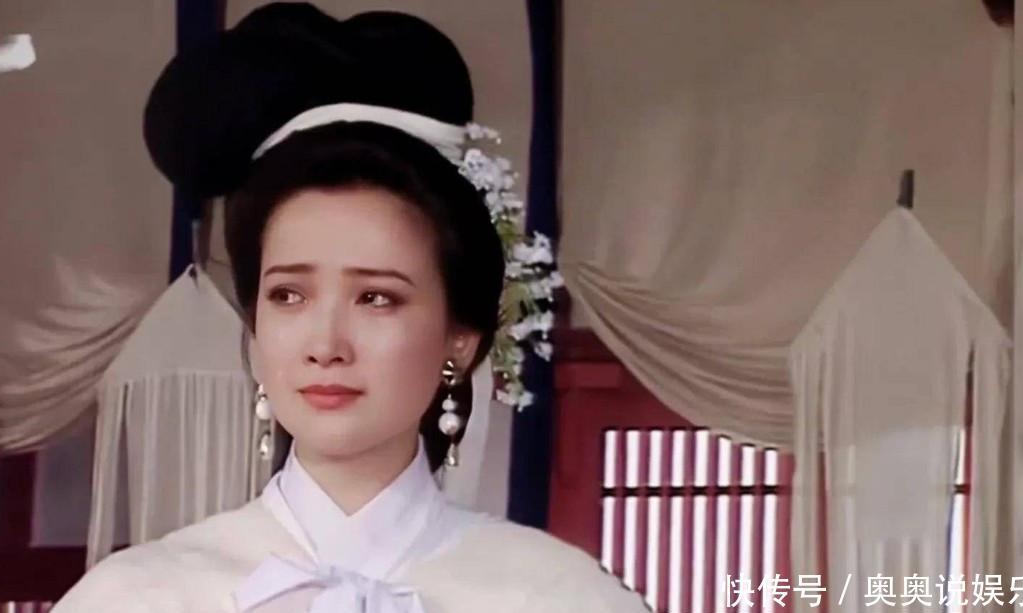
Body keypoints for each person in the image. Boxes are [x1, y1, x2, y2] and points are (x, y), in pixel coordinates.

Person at [54, 3, 648, 611]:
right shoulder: (137, 596)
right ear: (254, 332)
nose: (326, 345)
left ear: (460, 338)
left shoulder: (560, 597)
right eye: (288, 295)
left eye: (376, 298)